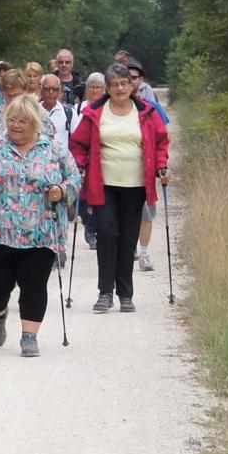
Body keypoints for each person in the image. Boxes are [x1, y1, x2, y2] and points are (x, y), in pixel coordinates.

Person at [0, 95, 80, 357]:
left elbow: (74, 178)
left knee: (34, 285)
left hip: (40, 231)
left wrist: (62, 191)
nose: (15, 126)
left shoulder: (53, 149)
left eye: (22, 121)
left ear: (35, 124)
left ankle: (29, 337)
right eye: (11, 120)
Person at [70, 63, 171, 314]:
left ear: (131, 85)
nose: (119, 88)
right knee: (106, 234)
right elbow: (78, 144)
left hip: (135, 185)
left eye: (124, 83)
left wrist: (161, 166)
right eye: (114, 84)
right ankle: (105, 292)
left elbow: (161, 143)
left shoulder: (147, 111)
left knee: (127, 239)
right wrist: (80, 165)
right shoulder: (95, 111)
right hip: (103, 183)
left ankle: (125, 293)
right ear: (107, 87)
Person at [123, 59, 169, 271]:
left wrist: (162, 165)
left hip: (145, 170)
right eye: (127, 77)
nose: (130, 81)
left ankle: (144, 252)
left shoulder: (151, 108)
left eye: (134, 78)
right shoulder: (110, 108)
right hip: (120, 171)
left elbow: (163, 139)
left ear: (140, 81)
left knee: (146, 213)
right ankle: (128, 248)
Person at [79, 72, 107, 250]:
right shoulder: (78, 108)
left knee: (98, 197)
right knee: (82, 201)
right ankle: (87, 224)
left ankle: (94, 229)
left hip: (100, 162)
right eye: (92, 87)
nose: (95, 90)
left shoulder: (107, 108)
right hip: (82, 161)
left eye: (99, 87)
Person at [37, 73, 78, 140]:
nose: (51, 92)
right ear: (41, 90)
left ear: (59, 91)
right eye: (47, 89)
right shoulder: (33, 111)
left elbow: (77, 140)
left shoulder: (69, 112)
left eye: (55, 89)